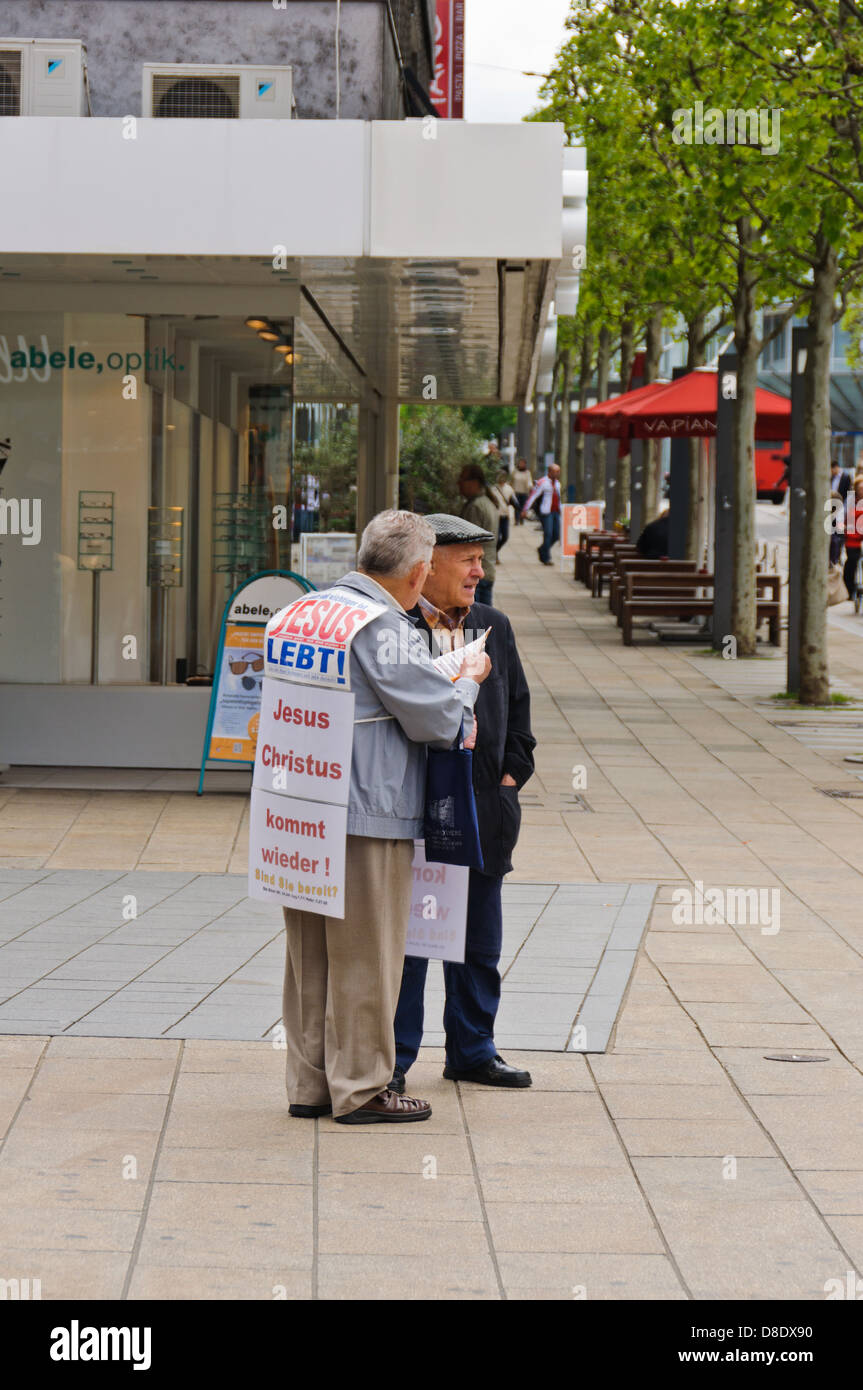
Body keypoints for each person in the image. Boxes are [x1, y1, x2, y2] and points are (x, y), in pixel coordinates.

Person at [280, 510, 491, 1125]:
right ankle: (365, 1087)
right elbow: (435, 717)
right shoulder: (382, 623)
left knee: (309, 957)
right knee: (367, 955)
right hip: (368, 808)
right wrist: (468, 684)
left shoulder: (307, 609)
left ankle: (310, 1083)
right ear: (421, 571)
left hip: (299, 805)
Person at [391, 514, 536, 1092]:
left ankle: (474, 1050)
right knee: (407, 950)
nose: (480, 571)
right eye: (468, 560)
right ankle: (393, 1063)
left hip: (482, 814)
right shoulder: (393, 631)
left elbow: (519, 717)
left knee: (479, 945)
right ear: (426, 566)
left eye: (482, 559)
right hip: (413, 817)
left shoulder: (494, 626)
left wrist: (508, 780)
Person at [458, 463, 499, 604]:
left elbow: (468, 542)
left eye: (462, 479)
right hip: (487, 569)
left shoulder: (475, 507)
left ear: (474, 482)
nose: (459, 484)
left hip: (477, 573)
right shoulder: (487, 503)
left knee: (477, 623)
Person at [521, 463, 562, 565]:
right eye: (555, 471)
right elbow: (533, 496)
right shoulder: (542, 482)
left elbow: (559, 498)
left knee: (556, 535)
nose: (557, 474)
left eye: (558, 471)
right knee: (548, 534)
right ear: (549, 472)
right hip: (546, 512)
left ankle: (542, 549)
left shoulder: (557, 484)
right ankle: (546, 557)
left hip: (556, 512)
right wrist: (525, 509)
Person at [843, 477, 863, 601]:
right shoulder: (851, 502)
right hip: (853, 539)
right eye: (860, 488)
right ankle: (849, 589)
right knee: (852, 561)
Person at [493, 471, 517, 556]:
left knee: (505, 537)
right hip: (496, 516)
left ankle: (495, 551)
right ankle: (495, 555)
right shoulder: (493, 489)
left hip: (505, 515)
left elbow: (514, 501)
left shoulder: (509, 489)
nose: (501, 479)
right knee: (496, 537)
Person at [512, 458, 533, 523]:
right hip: (516, 491)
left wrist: (530, 487)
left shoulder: (527, 472)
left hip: (524, 492)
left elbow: (529, 482)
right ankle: (516, 520)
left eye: (523, 463)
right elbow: (511, 481)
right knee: (516, 506)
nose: (521, 464)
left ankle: (522, 519)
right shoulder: (515, 471)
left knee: (523, 506)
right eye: (520, 463)